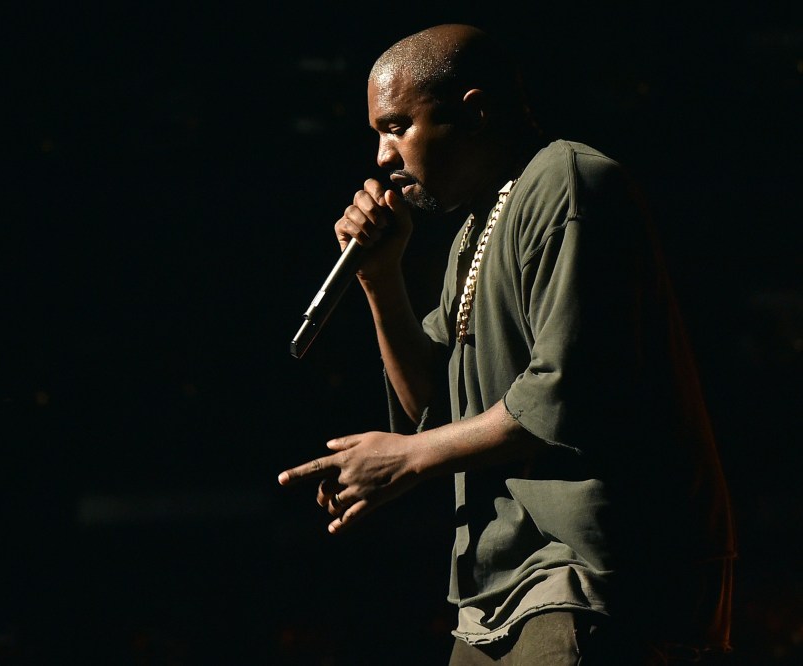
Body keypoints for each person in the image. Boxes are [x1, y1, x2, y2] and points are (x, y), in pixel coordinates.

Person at [277, 23, 736, 665]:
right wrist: (381, 279)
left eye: (396, 126)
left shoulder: (567, 182)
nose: (382, 156)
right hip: (501, 587)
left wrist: (405, 459)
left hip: (589, 572)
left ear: (474, 110)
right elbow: (430, 408)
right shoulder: (475, 228)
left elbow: (560, 395)